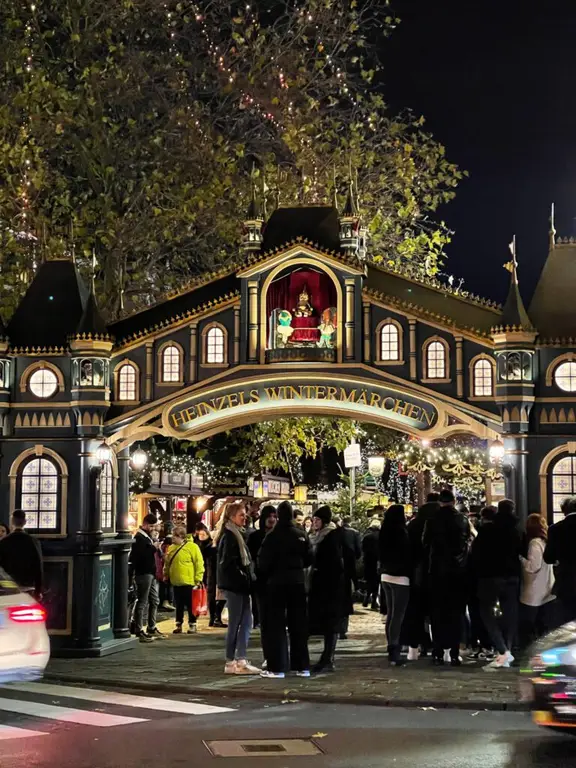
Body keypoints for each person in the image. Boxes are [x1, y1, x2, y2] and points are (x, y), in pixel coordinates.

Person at [258, 501, 313, 678]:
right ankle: (302, 666)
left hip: (277, 583)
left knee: (276, 625)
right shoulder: (301, 535)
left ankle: (277, 667)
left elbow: (263, 562)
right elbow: (309, 558)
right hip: (297, 582)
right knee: (298, 624)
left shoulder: (272, 536)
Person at [469, 499, 523, 669]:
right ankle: (507, 647)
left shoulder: (487, 530)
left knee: (486, 611)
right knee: (510, 614)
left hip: (489, 576)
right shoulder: (517, 530)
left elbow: (476, 553)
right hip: (512, 576)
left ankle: (502, 649)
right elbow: (522, 551)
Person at [423, 489, 471, 666]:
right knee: (456, 613)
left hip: (436, 571)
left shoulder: (432, 520)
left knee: (437, 613)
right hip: (457, 572)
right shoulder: (462, 519)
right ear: (453, 501)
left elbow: (425, 542)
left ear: (440, 502)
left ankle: (437, 651)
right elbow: (465, 541)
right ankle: (454, 652)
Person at [215, 502, 260, 675]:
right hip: (236, 586)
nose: (244, 517)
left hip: (238, 585)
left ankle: (238, 658)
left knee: (245, 621)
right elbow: (229, 564)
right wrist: (244, 578)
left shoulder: (235, 534)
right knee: (238, 623)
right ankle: (234, 660)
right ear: (232, 517)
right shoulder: (231, 536)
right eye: (241, 514)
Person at [308, 505, 352, 674]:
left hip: (331, 587)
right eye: (313, 520)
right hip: (320, 586)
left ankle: (328, 658)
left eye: (317, 520)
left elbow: (337, 563)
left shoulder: (332, 537)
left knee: (330, 624)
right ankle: (326, 658)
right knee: (324, 623)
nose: (314, 523)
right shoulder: (316, 537)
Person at [404, 493, 440, 659]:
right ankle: (441, 646)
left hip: (417, 572)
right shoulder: (444, 520)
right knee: (439, 611)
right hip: (439, 572)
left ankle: (417, 645)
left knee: (417, 611)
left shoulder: (414, 523)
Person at [379, 505, 412, 666]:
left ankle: (391, 647)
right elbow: (407, 554)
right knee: (398, 615)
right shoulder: (401, 533)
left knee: (391, 614)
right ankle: (395, 649)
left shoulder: (384, 531)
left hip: (386, 575)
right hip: (400, 577)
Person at [519, 514, 555, 649]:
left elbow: (534, 566)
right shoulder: (546, 541)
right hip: (547, 587)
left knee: (528, 624)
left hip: (534, 589)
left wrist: (521, 560)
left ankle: (530, 651)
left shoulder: (534, 543)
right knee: (544, 624)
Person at [164, 526, 205, 634]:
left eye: (174, 536)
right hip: (176, 581)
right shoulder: (171, 548)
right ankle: (179, 624)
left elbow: (199, 563)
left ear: (180, 536)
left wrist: (198, 578)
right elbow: (167, 564)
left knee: (191, 604)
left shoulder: (192, 547)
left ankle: (192, 624)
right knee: (179, 605)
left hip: (189, 581)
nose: (172, 538)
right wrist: (166, 574)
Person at [129, 513, 163, 642]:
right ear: (145, 524)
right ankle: (139, 630)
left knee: (154, 600)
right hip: (143, 573)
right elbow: (138, 557)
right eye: (151, 526)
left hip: (151, 573)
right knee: (142, 602)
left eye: (155, 526)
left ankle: (151, 627)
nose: (153, 529)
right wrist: (153, 548)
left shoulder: (147, 537)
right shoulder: (139, 538)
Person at [544, 496, 576, 626]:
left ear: (563, 511)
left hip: (566, 579)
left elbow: (548, 557)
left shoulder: (555, 529)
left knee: (567, 619)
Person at [0, 510, 43, 599]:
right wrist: (38, 590)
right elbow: (38, 566)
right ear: (25, 522)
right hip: (29, 587)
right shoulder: (33, 541)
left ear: (12, 522)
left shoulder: (4, 542)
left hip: (9, 588)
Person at [247, 505, 278, 630]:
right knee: (258, 601)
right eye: (269, 516)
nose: (272, 519)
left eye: (274, 516)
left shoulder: (279, 536)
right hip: (259, 576)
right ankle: (258, 621)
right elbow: (250, 557)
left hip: (276, 576)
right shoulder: (255, 537)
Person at [195, 523, 226, 628]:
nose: (202, 536)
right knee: (214, 595)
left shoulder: (211, 544)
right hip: (210, 572)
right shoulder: (205, 546)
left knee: (219, 595)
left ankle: (215, 618)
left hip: (212, 571)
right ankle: (214, 618)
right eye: (201, 535)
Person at [338, 515, 362, 638]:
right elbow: (358, 552)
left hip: (336, 573)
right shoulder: (354, 534)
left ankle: (337, 628)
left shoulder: (334, 535)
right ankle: (342, 629)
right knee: (346, 599)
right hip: (347, 571)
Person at [361, 517, 381, 610]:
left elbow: (363, 549)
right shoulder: (381, 536)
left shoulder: (366, 536)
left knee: (369, 580)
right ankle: (373, 602)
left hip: (368, 561)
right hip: (377, 561)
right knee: (376, 582)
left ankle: (366, 596)